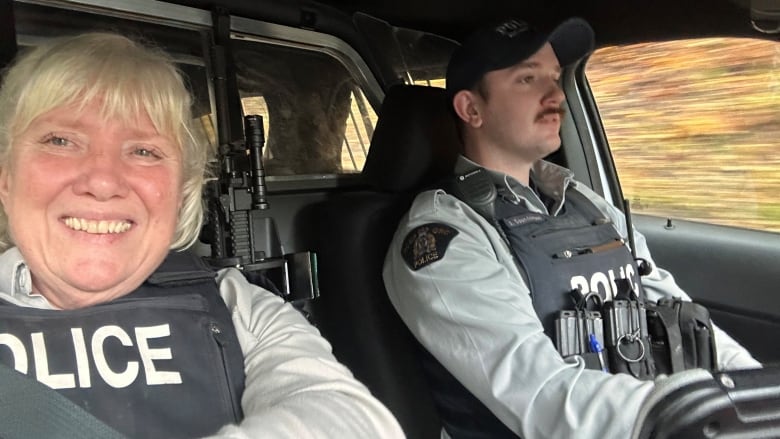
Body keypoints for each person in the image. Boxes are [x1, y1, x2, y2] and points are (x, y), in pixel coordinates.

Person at [0, 32, 404, 438]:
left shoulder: (236, 305)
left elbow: (351, 419)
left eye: (144, 151)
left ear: (179, 193)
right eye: (61, 141)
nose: (103, 181)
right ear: (6, 178)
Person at [383, 17, 760, 439]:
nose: (556, 95)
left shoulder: (583, 201)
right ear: (472, 109)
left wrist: (753, 396)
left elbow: (677, 313)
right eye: (527, 78)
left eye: (556, 78)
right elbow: (542, 395)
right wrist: (688, 416)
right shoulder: (444, 235)